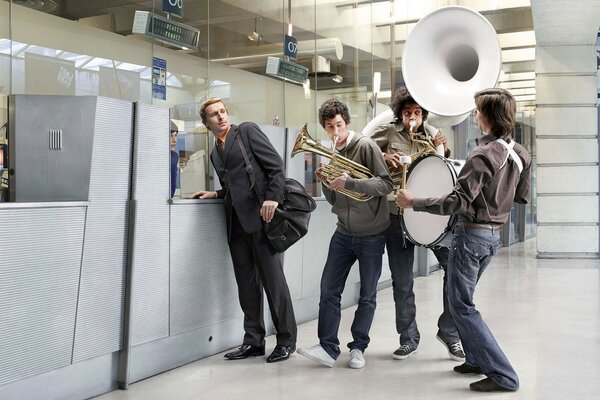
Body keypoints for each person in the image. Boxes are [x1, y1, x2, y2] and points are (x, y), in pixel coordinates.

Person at [396, 88, 531, 392]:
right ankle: (474, 358)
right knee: (463, 301)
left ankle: (502, 375)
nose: (476, 114)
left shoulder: (482, 154)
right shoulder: (521, 153)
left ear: (489, 116)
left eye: (479, 110)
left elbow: (456, 202)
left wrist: (413, 201)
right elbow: (521, 197)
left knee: (462, 306)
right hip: (492, 238)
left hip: (470, 237)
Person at [190, 97, 297, 363]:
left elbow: (275, 166)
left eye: (223, 111)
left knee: (274, 284)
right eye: (214, 114)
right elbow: (234, 186)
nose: (221, 117)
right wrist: (215, 193)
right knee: (247, 287)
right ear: (206, 123)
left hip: (262, 221)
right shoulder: (215, 152)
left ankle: (286, 341)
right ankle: (253, 341)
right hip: (236, 226)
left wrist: (273, 197)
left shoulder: (246, 131)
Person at [370, 86, 465, 361]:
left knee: (454, 271)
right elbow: (363, 150)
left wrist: (444, 149)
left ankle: (449, 332)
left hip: (429, 214)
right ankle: (408, 338)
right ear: (400, 114)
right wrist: (382, 157)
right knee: (402, 281)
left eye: (418, 112)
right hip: (396, 215)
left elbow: (444, 173)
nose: (413, 117)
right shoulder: (387, 132)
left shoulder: (435, 136)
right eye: (408, 112)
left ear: (423, 114)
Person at [297, 99, 392, 369]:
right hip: (343, 232)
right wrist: (326, 181)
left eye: (338, 125)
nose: (334, 131)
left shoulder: (366, 145)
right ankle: (327, 348)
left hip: (372, 233)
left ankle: (358, 347)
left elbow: (385, 184)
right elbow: (335, 197)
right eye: (329, 127)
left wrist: (349, 181)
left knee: (367, 294)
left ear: (346, 122)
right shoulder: (331, 152)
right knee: (329, 289)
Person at [170, 120, 179, 198]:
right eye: (170, 136)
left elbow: (171, 193)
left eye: (175, 135)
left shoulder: (174, 156)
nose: (174, 140)